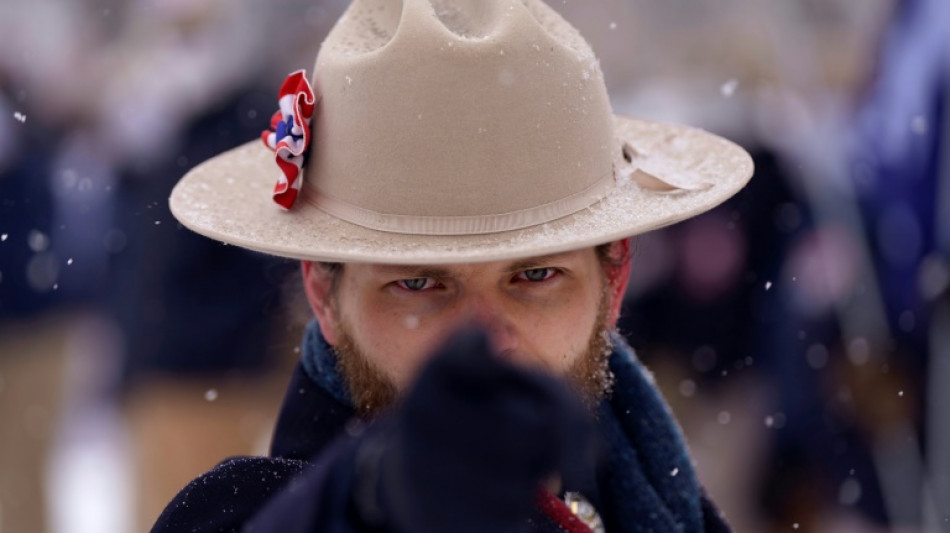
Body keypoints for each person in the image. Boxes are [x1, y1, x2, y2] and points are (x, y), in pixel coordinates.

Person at [154, 0, 753, 531]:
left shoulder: (654, 496)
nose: (484, 340)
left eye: (536, 275)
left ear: (614, 279)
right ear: (323, 294)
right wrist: (372, 493)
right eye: (417, 283)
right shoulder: (247, 509)